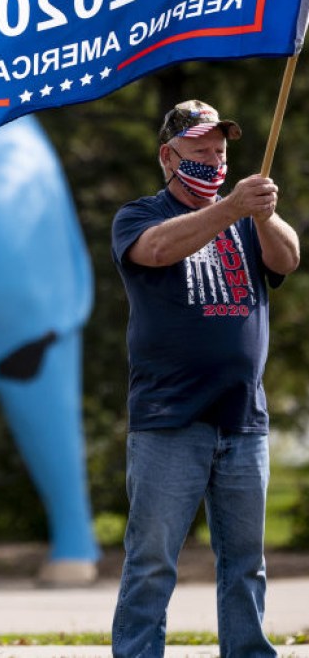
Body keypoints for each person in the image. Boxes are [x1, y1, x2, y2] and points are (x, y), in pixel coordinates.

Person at [110, 99, 300, 658]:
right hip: (170, 420)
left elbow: (287, 260)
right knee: (152, 562)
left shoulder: (245, 219)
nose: (214, 162)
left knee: (246, 563)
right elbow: (160, 248)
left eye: (220, 152)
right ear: (169, 156)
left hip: (243, 419)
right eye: (200, 152)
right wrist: (233, 207)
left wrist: (262, 214)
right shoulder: (139, 216)